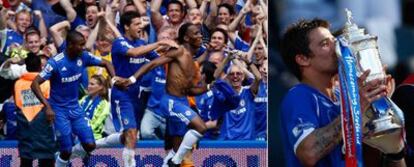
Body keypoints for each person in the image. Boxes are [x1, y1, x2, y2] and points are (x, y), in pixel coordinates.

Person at [279, 18, 405, 167]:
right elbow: (309, 154)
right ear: (303, 59)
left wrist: (378, 108)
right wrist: (355, 107)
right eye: (325, 44)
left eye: (335, 40)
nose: (338, 47)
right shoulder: (299, 96)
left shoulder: (345, 94)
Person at [122, 23, 208, 166]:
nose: (200, 36)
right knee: (201, 127)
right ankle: (175, 160)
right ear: (186, 38)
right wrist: (132, 79)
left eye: (200, 33)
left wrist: (209, 86)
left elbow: (190, 91)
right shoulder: (179, 51)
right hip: (171, 102)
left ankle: (171, 161)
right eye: (196, 34)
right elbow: (152, 64)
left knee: (176, 147)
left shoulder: (192, 62)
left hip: (183, 102)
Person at [30, 31, 121, 167]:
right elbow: (34, 83)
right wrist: (47, 106)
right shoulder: (56, 62)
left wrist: (115, 81)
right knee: (66, 151)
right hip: (59, 110)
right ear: (70, 45)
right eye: (81, 45)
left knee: (90, 145)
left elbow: (107, 63)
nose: (84, 47)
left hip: (75, 108)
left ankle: (66, 158)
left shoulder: (83, 57)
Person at [14, 52, 56, 166]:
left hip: (25, 128)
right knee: (46, 160)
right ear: (40, 67)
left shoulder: (18, 84)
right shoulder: (47, 83)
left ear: (26, 67)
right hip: (43, 128)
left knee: (25, 160)